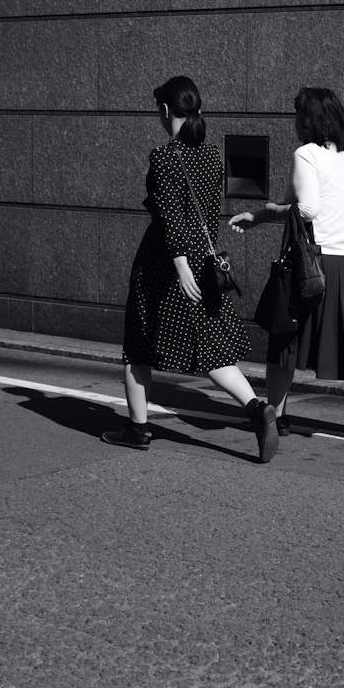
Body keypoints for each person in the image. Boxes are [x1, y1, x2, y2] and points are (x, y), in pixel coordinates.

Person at [103, 75, 279, 463]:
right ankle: (255, 408)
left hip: (165, 262)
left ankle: (137, 429)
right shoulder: (213, 155)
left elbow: (169, 217)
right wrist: (192, 260)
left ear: (166, 111)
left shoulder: (165, 156)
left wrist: (179, 264)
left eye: (158, 111)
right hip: (205, 256)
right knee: (210, 346)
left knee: (138, 345)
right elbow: (205, 211)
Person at [229, 86, 344, 450]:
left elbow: (307, 210)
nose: (294, 122)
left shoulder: (305, 155)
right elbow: (305, 206)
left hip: (311, 264)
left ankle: (275, 417)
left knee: (284, 338)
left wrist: (262, 213)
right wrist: (264, 214)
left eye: (297, 115)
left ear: (308, 120)